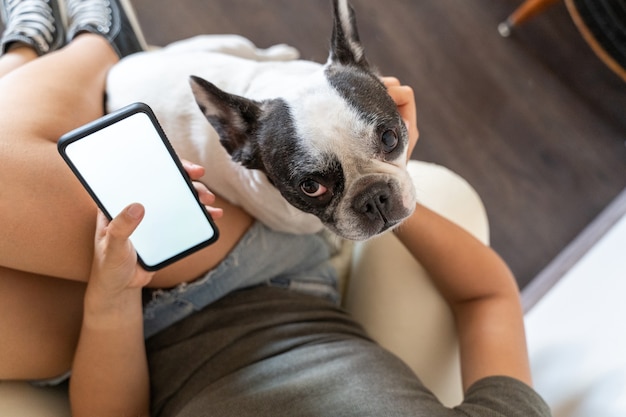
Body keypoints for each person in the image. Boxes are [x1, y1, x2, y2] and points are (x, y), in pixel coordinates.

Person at [0, 1, 552, 416]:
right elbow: (489, 295)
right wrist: (385, 175)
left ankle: (23, 56)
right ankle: (98, 42)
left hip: (117, 343)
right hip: (240, 269)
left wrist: (114, 294)